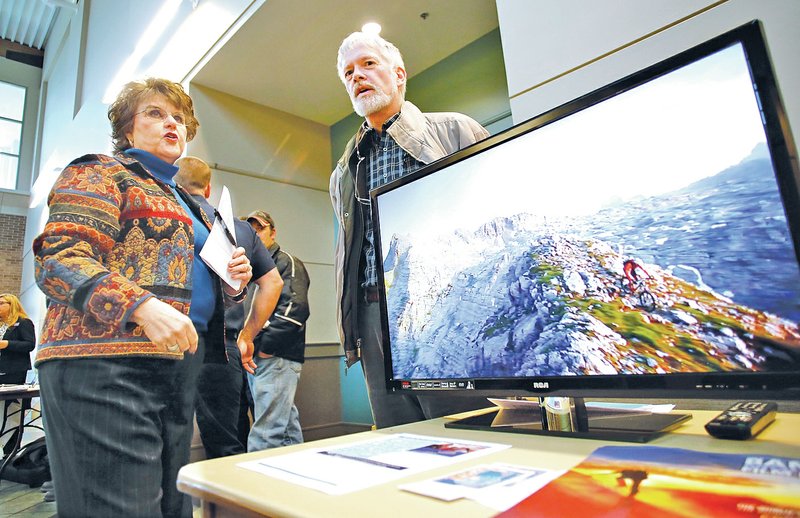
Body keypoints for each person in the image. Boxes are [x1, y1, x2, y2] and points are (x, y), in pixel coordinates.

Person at [32, 78, 253, 517]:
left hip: (175, 366)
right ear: (127, 131)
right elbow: (57, 258)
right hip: (104, 366)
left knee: (171, 508)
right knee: (120, 508)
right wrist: (140, 305)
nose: (171, 122)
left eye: (179, 117)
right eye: (155, 113)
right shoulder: (99, 170)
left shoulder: (183, 200)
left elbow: (178, 279)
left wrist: (230, 283)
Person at [330, 31, 492, 428]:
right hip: (371, 316)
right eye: (348, 72)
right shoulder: (344, 171)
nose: (358, 76)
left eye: (368, 64)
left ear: (399, 75)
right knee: (398, 437)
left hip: (445, 306)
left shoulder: (455, 131)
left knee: (466, 430)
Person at [174, 156, 282, 458]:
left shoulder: (170, 219)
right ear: (208, 189)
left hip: (171, 341)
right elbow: (272, 283)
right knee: (226, 441)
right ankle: (232, 504)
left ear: (174, 184)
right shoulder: (242, 231)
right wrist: (247, 335)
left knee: (164, 439)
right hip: (223, 348)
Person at [241, 211, 310, 450]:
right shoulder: (254, 269)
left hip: (275, 356)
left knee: (266, 434)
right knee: (286, 430)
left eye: (259, 228)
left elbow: (295, 309)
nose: (255, 234)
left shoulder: (286, 262)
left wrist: (266, 348)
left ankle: (255, 487)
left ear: (273, 231)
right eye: (251, 231)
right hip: (259, 358)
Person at [0, 293, 35, 456]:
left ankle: (11, 452)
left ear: (11, 303)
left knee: (12, 410)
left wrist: (6, 344)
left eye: (1, 303)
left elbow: (29, 344)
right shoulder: (1, 324)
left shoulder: (23, 323)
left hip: (13, 372)